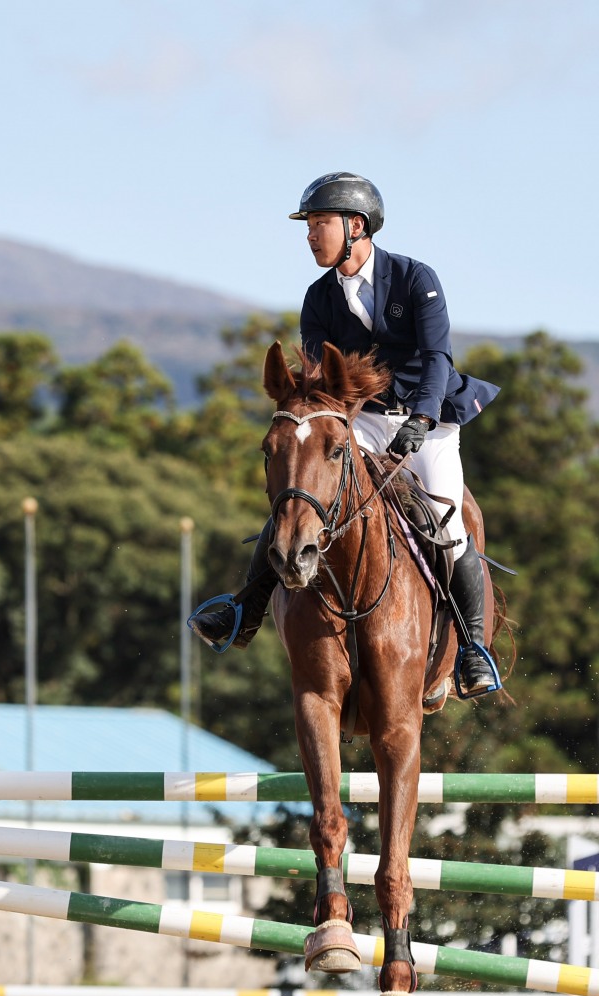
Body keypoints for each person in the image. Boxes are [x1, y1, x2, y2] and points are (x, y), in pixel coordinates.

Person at [189, 171, 502, 698]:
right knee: (302, 502)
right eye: (308, 226)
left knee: (448, 522)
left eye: (319, 224)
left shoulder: (414, 278)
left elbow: (436, 360)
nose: (310, 236)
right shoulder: (318, 298)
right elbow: (317, 378)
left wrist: (421, 422)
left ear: (355, 226)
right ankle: (245, 609)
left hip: (428, 421)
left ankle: (471, 648)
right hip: (360, 423)